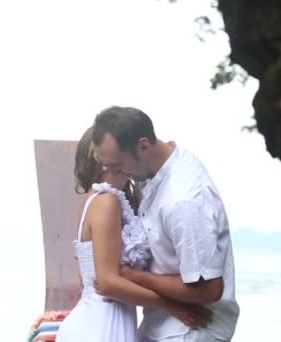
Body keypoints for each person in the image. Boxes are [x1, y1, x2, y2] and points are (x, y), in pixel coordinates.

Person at [91, 106, 240, 342]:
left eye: (118, 166)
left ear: (143, 146)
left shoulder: (184, 200)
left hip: (192, 330)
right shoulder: (151, 168)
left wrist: (133, 277)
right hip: (161, 323)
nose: (115, 173)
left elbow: (209, 289)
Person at [55, 126, 212, 342]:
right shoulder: (106, 202)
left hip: (109, 317)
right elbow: (109, 283)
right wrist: (172, 306)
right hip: (102, 323)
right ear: (103, 158)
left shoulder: (105, 199)